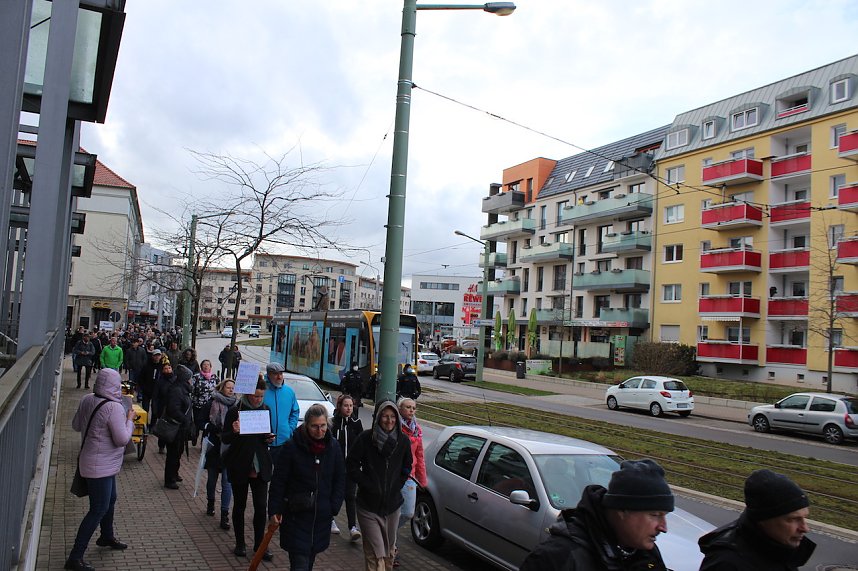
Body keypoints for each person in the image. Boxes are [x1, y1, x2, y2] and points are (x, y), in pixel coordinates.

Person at [519, 458, 674, 571]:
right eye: (654, 515)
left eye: (665, 515)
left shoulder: (646, 553)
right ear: (622, 510)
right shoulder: (559, 557)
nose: (663, 527)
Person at [65, 368, 135, 571]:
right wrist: (129, 419)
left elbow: (76, 425)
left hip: (93, 461)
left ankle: (106, 536)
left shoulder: (87, 398)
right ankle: (75, 557)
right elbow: (122, 439)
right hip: (100, 467)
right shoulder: (114, 407)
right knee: (97, 509)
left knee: (110, 500)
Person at [268, 404, 345, 570]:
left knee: (309, 561)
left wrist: (333, 506)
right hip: (296, 515)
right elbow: (279, 481)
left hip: (321, 516)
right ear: (306, 425)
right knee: (299, 563)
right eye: (314, 426)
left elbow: (340, 478)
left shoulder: (333, 447)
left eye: (323, 426)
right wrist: (274, 509)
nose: (319, 431)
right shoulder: (291, 447)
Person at [698, 469, 815, 570]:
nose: (805, 528)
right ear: (764, 519)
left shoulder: (781, 548)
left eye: (804, 518)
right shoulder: (726, 564)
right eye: (793, 519)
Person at [346, 401, 412, 571]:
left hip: (392, 506)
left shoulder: (403, 441)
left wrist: (397, 485)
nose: (389, 420)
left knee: (389, 553)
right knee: (375, 555)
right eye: (384, 416)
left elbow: (407, 466)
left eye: (392, 416)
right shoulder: (366, 439)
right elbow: (351, 464)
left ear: (397, 419)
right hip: (368, 506)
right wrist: (367, 484)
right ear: (378, 417)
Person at [221, 377, 275, 560]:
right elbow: (225, 438)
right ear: (248, 393)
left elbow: (266, 434)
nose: (258, 400)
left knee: (261, 507)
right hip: (240, 464)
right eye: (256, 396)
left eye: (261, 397)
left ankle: (260, 545)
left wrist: (269, 438)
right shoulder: (236, 411)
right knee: (240, 505)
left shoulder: (265, 410)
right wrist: (234, 431)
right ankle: (240, 543)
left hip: (259, 465)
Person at [395, 397, 427, 567]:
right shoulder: (395, 426)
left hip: (410, 477)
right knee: (393, 510)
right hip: (393, 476)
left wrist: (422, 479)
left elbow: (420, 456)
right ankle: (392, 547)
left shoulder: (416, 430)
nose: (411, 411)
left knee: (408, 513)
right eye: (408, 407)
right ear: (400, 409)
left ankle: (389, 531)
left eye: (413, 408)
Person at [331, 394, 364, 541]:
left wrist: (360, 463)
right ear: (339, 407)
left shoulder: (356, 423)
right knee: (335, 494)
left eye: (351, 406)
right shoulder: (333, 423)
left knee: (351, 496)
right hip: (336, 467)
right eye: (346, 405)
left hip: (351, 468)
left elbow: (362, 444)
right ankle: (330, 519)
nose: (349, 408)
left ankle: (352, 527)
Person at [205, 379, 236, 530]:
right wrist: (213, 428)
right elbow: (202, 422)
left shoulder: (237, 405)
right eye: (228, 387)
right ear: (222, 388)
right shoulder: (213, 401)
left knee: (227, 482)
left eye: (232, 388)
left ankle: (225, 514)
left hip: (229, 448)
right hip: (215, 447)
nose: (230, 390)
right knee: (212, 480)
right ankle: (210, 502)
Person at [162, 365, 194, 489]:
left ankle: (174, 474)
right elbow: (173, 409)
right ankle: (169, 479)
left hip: (181, 428)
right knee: (173, 453)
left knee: (178, 452)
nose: (191, 380)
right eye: (190, 378)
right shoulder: (177, 390)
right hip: (176, 427)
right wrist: (185, 419)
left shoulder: (183, 389)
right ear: (185, 379)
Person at [262, 362, 300, 466]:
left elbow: (295, 411)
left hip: (284, 441)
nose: (279, 377)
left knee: (281, 474)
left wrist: (290, 428)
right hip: (264, 442)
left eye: (281, 374)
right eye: (275, 374)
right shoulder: (261, 391)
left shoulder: (289, 392)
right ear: (269, 374)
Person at [190, 359, 218, 443]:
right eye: (204, 364)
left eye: (208, 365)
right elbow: (191, 389)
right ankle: (195, 435)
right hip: (198, 405)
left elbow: (218, 389)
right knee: (198, 422)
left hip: (210, 405)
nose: (206, 366)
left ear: (210, 367)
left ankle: (203, 441)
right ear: (201, 366)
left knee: (207, 424)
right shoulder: (196, 376)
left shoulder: (214, 377)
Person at [137, 348, 163, 414]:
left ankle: (152, 424)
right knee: (145, 408)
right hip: (147, 390)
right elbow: (141, 377)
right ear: (152, 356)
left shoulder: (162, 366)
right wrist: (143, 387)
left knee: (155, 410)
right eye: (155, 355)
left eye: (158, 355)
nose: (157, 357)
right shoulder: (146, 366)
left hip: (157, 391)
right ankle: (145, 422)